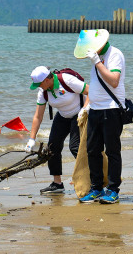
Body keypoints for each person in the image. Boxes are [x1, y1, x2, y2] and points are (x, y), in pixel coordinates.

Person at [77, 29, 125, 204]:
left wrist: (97, 62)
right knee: (92, 150)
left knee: (112, 151)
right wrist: (86, 107)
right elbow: (96, 85)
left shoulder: (114, 54)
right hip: (95, 110)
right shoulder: (96, 58)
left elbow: (114, 80)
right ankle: (96, 188)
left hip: (111, 109)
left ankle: (113, 190)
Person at [25, 66, 88, 194]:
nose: (38, 87)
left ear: (47, 80)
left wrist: (85, 109)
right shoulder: (43, 91)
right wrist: (31, 139)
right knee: (52, 147)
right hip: (63, 115)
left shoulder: (66, 80)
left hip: (79, 113)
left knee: (75, 147)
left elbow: (90, 91)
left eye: (39, 84)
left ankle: (92, 179)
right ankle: (57, 184)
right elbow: (38, 116)